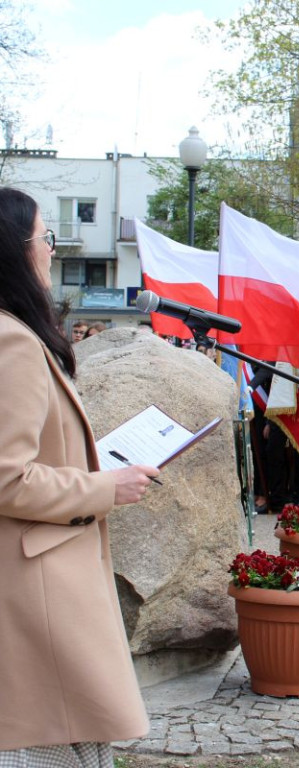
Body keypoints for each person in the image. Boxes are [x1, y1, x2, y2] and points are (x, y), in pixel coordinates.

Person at [0, 187, 159, 764]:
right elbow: (7, 477)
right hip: (34, 588)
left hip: (36, 579)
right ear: (16, 251)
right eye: (45, 237)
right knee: (44, 744)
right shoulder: (11, 340)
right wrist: (103, 487)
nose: (50, 248)